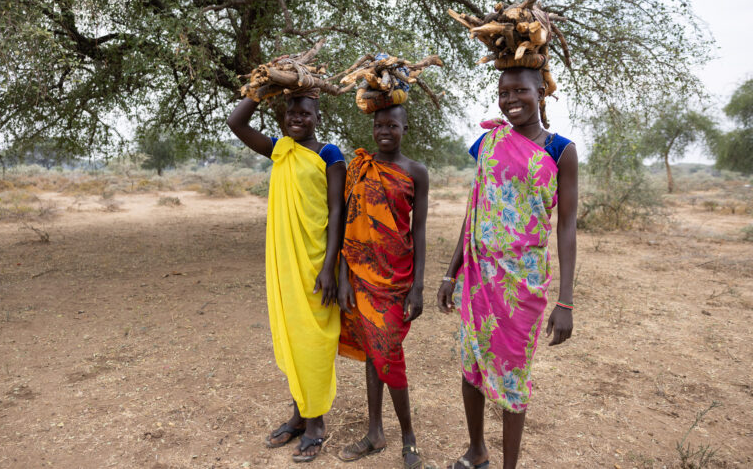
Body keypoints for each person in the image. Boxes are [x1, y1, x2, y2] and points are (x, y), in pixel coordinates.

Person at [436, 67, 578, 469]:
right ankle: (476, 450)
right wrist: (450, 273)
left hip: (523, 283)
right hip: (478, 278)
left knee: (513, 378)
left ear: (541, 92)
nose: (511, 99)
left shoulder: (561, 150)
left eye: (520, 90)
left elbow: (566, 226)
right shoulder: (488, 142)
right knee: (471, 366)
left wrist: (565, 301)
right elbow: (473, 210)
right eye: (504, 92)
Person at [226, 92, 345, 463]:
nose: (297, 118)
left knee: (314, 344)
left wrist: (329, 267)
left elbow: (337, 210)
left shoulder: (329, 154)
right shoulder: (280, 150)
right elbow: (235, 122)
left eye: (305, 113)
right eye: (291, 112)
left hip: (317, 265)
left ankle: (316, 424)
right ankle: (299, 416)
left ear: (317, 117)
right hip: (286, 265)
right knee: (294, 341)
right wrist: (259, 89)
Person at [336, 105, 429, 469]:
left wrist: (418, 287)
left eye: (392, 125)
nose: (384, 131)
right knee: (374, 351)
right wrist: (342, 277)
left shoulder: (416, 172)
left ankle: (408, 437)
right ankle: (375, 431)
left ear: (405, 128)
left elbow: (418, 231)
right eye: (378, 125)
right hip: (360, 276)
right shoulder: (359, 167)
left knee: (387, 352)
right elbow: (347, 224)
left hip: (397, 278)